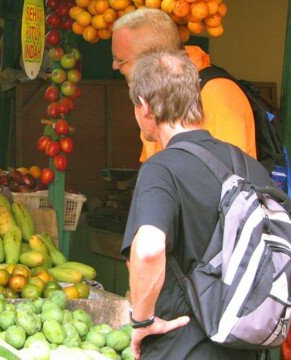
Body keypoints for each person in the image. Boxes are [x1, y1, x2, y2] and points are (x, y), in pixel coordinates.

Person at [121, 51, 272, 359]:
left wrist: (142, 321)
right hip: (243, 345)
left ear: (145, 107)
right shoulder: (249, 167)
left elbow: (149, 249)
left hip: (181, 346)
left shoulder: (160, 168)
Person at [111, 8, 256, 162]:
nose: (114, 66)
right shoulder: (153, 93)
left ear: (153, 58)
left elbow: (227, 178)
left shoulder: (217, 96)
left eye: (120, 60)